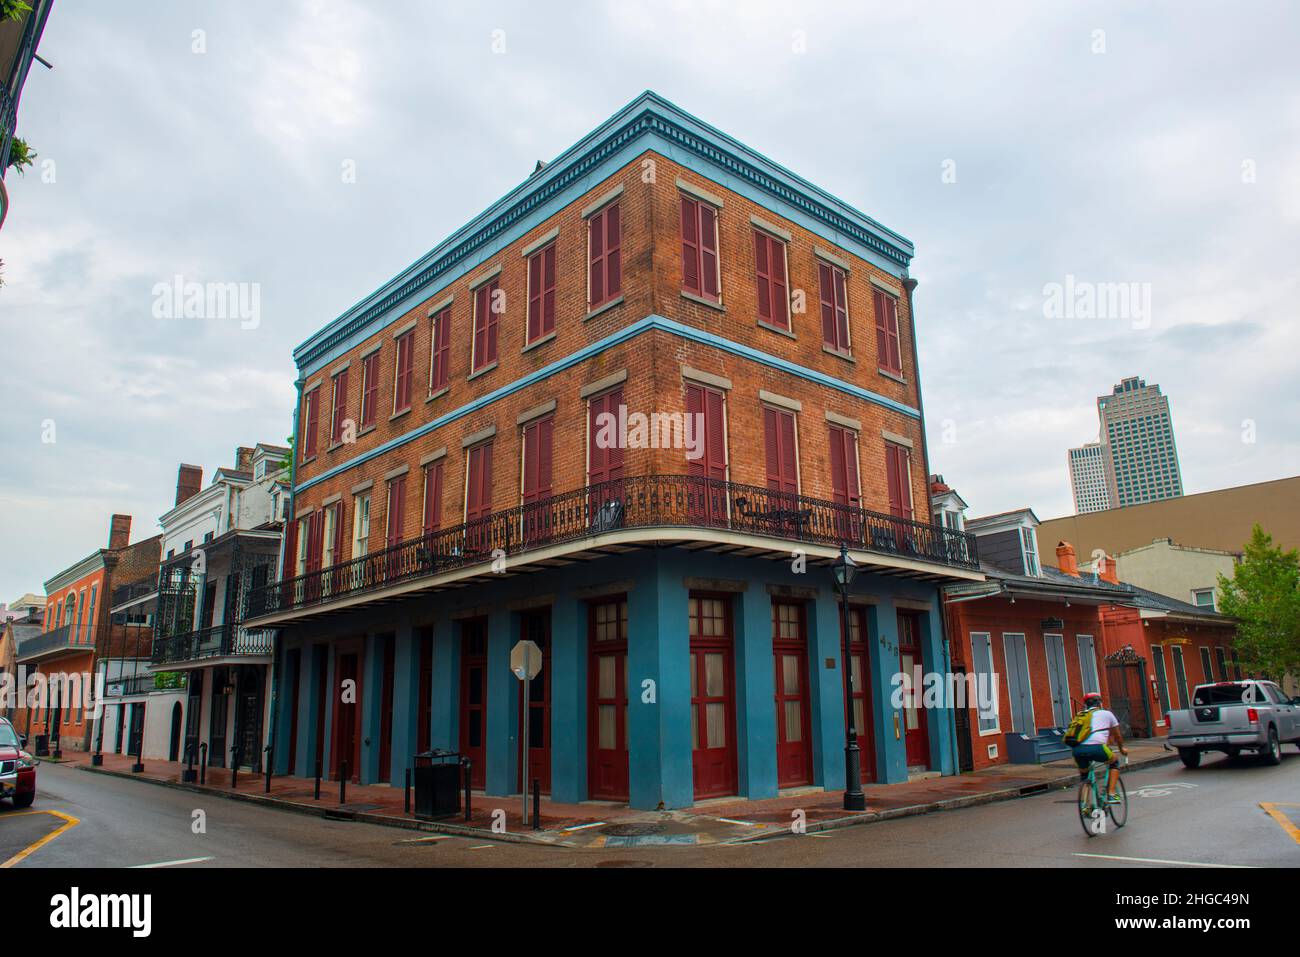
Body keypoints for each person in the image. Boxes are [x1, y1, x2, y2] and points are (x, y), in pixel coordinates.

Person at [1071, 691, 1127, 802]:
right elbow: (1118, 736)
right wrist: (1122, 749)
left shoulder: (1079, 716)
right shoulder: (1107, 714)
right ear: (1099, 703)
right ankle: (1111, 794)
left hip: (1077, 749)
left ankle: (1085, 806)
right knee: (1114, 762)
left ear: (1086, 704)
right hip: (1097, 747)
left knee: (1084, 775)